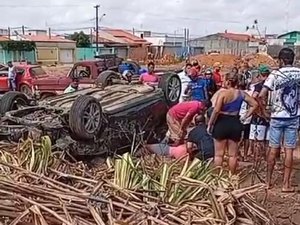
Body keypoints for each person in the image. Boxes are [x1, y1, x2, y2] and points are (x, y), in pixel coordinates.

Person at [259, 48, 300, 192]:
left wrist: (264, 112)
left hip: (276, 116)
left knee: (273, 148)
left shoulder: (275, 75)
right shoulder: (299, 73)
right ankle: (286, 184)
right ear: (293, 59)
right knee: (289, 150)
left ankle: (268, 182)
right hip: (293, 116)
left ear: (281, 60)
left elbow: (261, 95)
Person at [207, 72, 258, 174]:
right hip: (235, 122)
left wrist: (210, 124)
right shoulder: (242, 93)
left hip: (221, 122)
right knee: (233, 155)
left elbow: (216, 110)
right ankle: (232, 176)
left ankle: (218, 177)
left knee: (218, 154)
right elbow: (254, 104)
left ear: (228, 82)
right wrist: (245, 116)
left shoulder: (223, 94)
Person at [147, 114, 214, 161]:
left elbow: (189, 147)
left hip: (170, 150)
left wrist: (190, 155)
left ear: (196, 123)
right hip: (215, 150)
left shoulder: (193, 132)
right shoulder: (210, 129)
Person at [249, 65, 271, 165]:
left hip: (260, 115)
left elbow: (254, 97)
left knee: (257, 140)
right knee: (268, 141)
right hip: (271, 115)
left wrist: (261, 109)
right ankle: (266, 160)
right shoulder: (273, 85)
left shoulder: (259, 86)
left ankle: (258, 160)